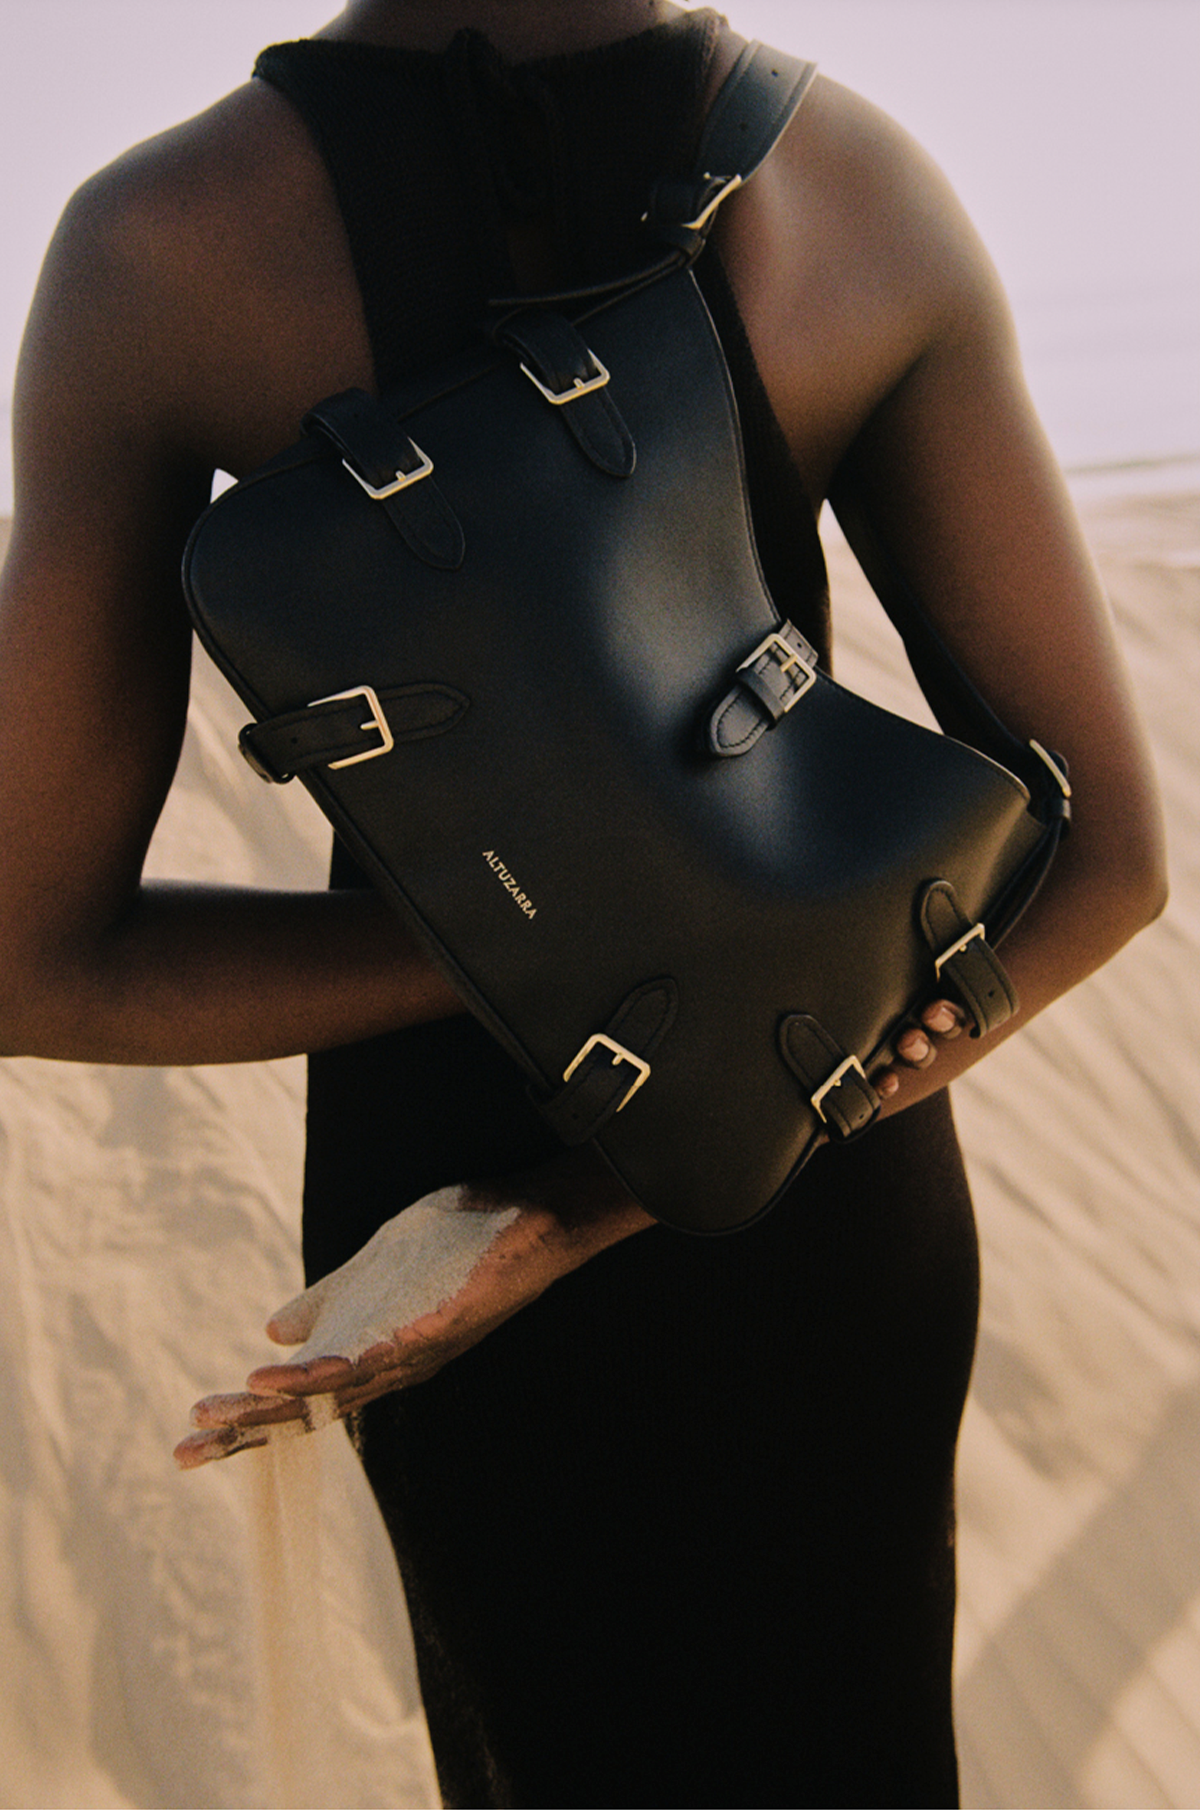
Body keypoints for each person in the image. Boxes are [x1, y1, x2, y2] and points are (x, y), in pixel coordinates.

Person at [0, 2, 1165, 1805]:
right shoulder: (850, 188)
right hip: (816, 1172)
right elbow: (1112, 862)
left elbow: (34, 962)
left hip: (440, 1214)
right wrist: (612, 1160)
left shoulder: (160, 252)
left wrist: (517, 1000)